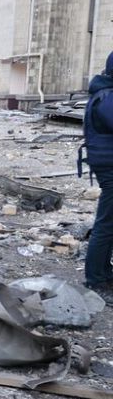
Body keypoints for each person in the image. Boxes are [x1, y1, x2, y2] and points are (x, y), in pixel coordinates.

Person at [82, 51, 113, 294]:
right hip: (110, 166)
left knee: (110, 223)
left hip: (107, 163)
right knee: (106, 224)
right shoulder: (106, 97)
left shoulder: (106, 93)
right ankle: (95, 279)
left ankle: (103, 272)